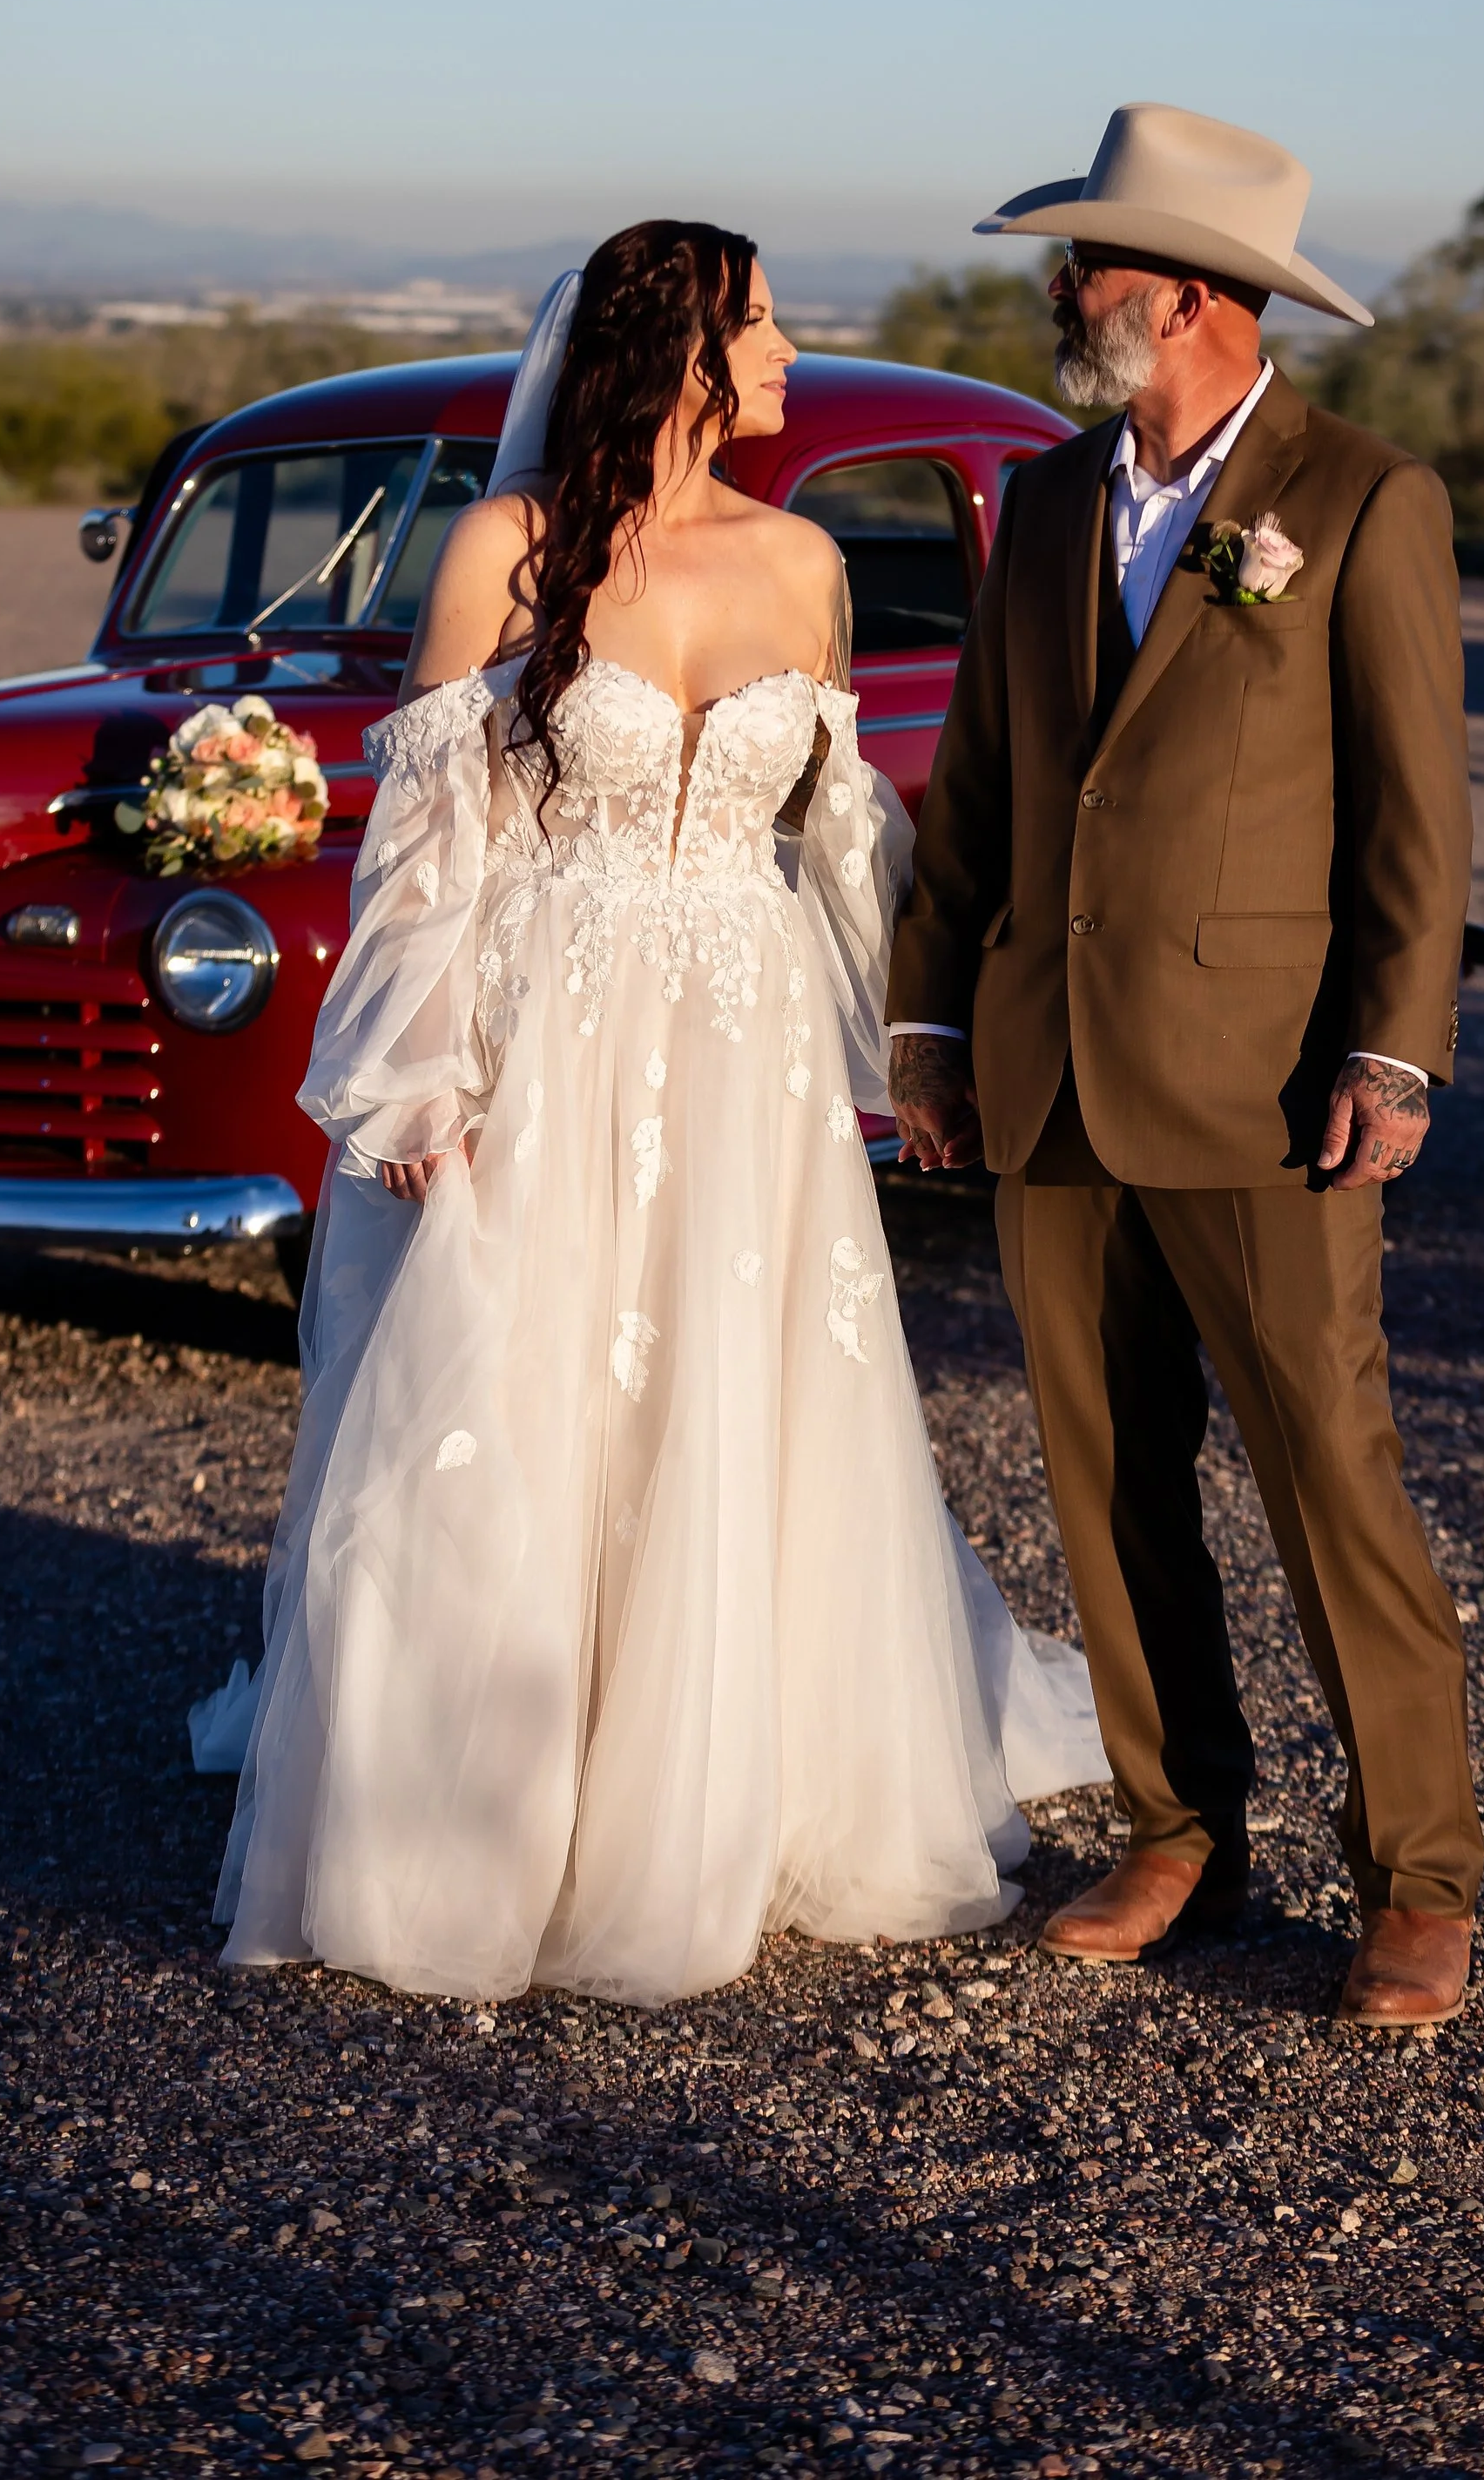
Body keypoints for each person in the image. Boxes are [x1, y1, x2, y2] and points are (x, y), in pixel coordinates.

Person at [193, 219, 1105, 2008]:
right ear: (678, 348)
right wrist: (418, 1077)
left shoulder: (803, 559)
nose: (784, 353)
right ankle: (480, 1821)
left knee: (736, 1383)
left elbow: (843, 836)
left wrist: (906, 1046)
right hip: (553, 1020)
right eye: (759, 326)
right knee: (514, 1381)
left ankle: (730, 1787)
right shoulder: (505, 550)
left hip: (743, 1039)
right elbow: (430, 849)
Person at [887, 103, 1482, 2029]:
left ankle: (1416, 1877)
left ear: (1208, 297)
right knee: (1103, 1473)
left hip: (1263, 1083)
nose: (1063, 291)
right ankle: (1174, 1836)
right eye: (1067, 262)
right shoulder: (1051, 498)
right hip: (1045, 1070)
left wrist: (1391, 1056)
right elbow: (974, 784)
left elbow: (1413, 813)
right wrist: (922, 1018)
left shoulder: (1366, 498)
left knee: (1328, 1471)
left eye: (1093, 264)